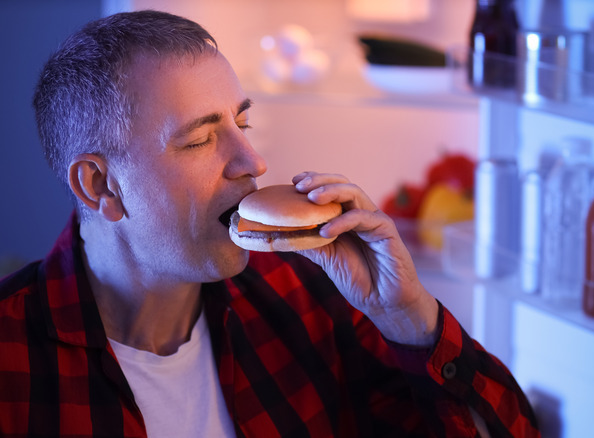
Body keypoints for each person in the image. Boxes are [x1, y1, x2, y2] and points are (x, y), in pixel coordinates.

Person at [0, 10, 538, 438]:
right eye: (200, 139)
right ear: (100, 186)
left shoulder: (306, 300)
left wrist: (407, 316)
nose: (252, 162)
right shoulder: (12, 360)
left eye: (243, 121)